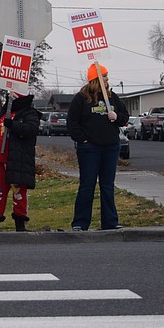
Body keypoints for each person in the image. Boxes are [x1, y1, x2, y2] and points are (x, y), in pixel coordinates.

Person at [66, 63, 129, 231]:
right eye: (105, 76)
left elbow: (124, 117)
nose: (108, 79)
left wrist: (117, 117)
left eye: (107, 76)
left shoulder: (112, 97)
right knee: (87, 185)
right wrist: (83, 139)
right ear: (96, 79)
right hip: (89, 149)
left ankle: (110, 222)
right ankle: (80, 223)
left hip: (110, 147)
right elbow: (72, 122)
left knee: (107, 186)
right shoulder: (81, 98)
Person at [0, 93, 41, 232]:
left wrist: (13, 125)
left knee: (19, 192)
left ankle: (20, 224)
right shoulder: (5, 111)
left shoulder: (29, 112)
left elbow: (31, 130)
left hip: (16, 161)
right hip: (0, 161)